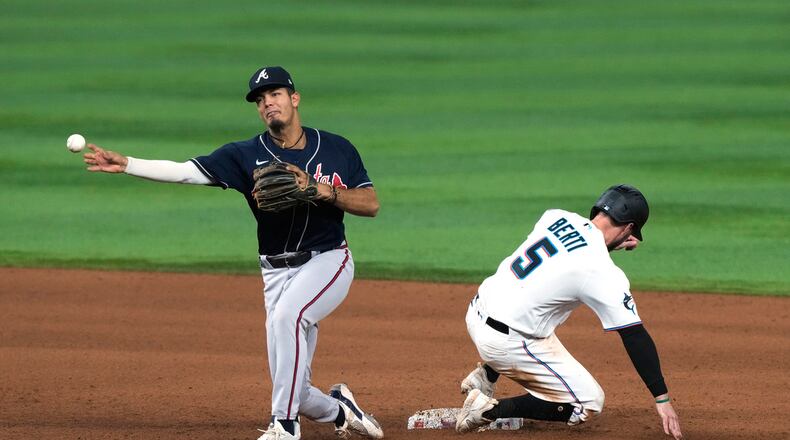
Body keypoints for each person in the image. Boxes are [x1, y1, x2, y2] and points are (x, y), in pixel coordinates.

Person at [83, 66, 384, 440]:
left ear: (294, 98)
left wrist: (321, 190)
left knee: (289, 318)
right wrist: (128, 164)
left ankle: (284, 429)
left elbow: (371, 204)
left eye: (274, 94)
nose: (267, 103)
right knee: (293, 385)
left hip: (328, 260)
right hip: (274, 273)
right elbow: (183, 172)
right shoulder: (245, 155)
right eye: (260, 99)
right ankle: (340, 410)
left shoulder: (338, 148)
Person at [456, 184, 683, 440]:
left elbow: (575, 254)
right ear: (630, 227)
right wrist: (661, 398)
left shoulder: (556, 216)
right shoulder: (601, 272)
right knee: (588, 403)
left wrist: (608, 244)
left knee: (546, 301)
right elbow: (634, 336)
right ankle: (486, 410)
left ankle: (487, 375)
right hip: (504, 343)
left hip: (476, 311)